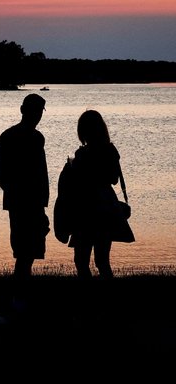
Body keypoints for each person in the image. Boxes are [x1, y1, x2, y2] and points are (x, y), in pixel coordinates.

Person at [0, 93, 50, 310]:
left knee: (30, 251)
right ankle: (19, 297)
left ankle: (22, 295)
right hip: (20, 203)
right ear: (23, 110)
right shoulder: (9, 137)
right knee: (24, 252)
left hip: (34, 203)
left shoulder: (38, 138)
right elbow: (0, 173)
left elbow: (40, 172)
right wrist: (16, 193)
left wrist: (41, 200)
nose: (37, 116)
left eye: (39, 112)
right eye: (34, 111)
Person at [68, 109, 132, 280]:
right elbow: (113, 179)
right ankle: (107, 299)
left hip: (86, 208)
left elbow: (76, 181)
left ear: (83, 131)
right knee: (102, 260)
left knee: (81, 260)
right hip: (106, 206)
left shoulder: (82, 154)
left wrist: (74, 166)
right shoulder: (110, 150)